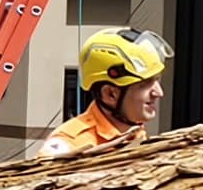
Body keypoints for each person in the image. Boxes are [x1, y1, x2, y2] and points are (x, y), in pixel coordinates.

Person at [35, 28, 167, 160]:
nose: (159, 93)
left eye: (156, 80)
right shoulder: (71, 144)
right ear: (110, 94)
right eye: (144, 85)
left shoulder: (135, 132)